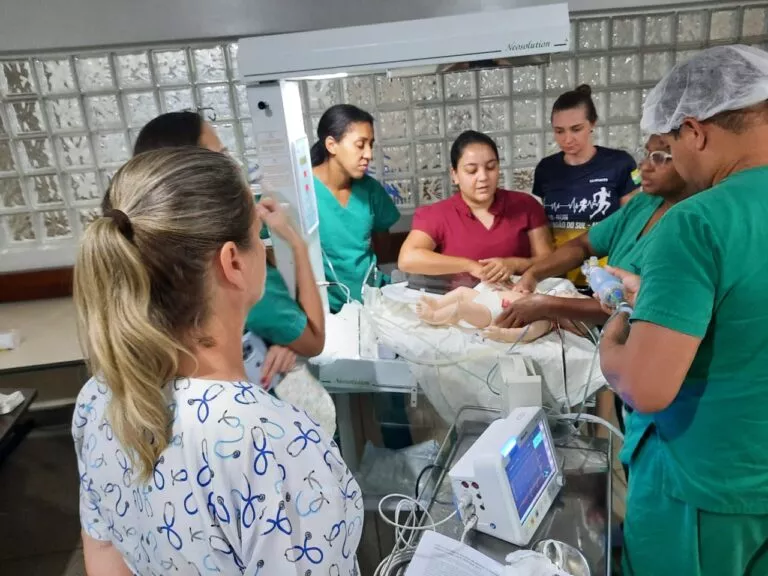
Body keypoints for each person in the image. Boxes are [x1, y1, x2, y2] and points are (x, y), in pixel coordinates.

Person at [74, 148, 362, 575]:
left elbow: (103, 555)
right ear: (232, 262)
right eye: (258, 235)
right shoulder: (278, 444)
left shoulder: (98, 397)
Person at [599, 45, 768, 575]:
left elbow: (644, 386)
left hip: (704, 489)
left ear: (694, 131)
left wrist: (616, 329)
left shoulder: (697, 221)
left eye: (668, 147)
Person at [497, 133, 691, 453]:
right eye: (647, 154)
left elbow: (631, 304)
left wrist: (547, 305)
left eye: (660, 158)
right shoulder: (643, 205)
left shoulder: (689, 224)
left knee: (646, 444)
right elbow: (585, 244)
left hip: (650, 361)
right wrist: (534, 273)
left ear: (692, 149)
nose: (643, 167)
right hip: (617, 353)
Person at [128, 112, 325, 379]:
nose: (234, 165)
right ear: (232, 261)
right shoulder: (237, 276)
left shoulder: (147, 257)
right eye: (222, 155)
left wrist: (273, 338)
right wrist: (297, 246)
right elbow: (313, 341)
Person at [398, 130, 553, 282]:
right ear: (455, 175)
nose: (483, 177)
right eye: (471, 170)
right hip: (459, 303)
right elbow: (407, 259)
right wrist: (469, 266)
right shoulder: (437, 214)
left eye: (491, 167)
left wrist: (515, 264)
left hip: (519, 301)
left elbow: (549, 261)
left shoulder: (525, 205)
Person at [533, 84, 640, 285]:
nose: (567, 139)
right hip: (560, 278)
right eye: (559, 131)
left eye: (576, 129)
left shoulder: (619, 164)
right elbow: (543, 230)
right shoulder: (546, 170)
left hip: (610, 276)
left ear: (592, 124)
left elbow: (633, 223)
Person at [311, 104, 401, 313]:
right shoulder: (302, 192)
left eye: (371, 145)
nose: (368, 154)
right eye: (360, 145)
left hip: (375, 301)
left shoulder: (370, 191)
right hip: (328, 311)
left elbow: (383, 243)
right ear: (332, 145)